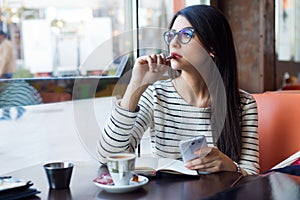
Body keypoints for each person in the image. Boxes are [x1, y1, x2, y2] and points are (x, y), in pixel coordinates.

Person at [97, 5, 259, 176]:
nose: (173, 43)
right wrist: (136, 85)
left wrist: (230, 166)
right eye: (171, 35)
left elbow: (253, 175)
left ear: (212, 47)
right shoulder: (156, 96)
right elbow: (107, 157)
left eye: (186, 35)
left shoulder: (244, 104)